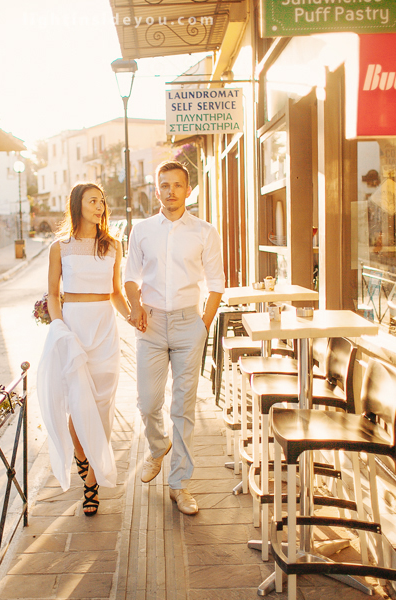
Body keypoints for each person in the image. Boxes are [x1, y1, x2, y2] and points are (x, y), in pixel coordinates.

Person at [124, 160, 225, 515]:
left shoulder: (204, 231)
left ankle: (180, 484)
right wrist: (136, 306)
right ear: (157, 191)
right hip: (150, 324)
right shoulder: (142, 230)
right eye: (164, 185)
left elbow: (216, 284)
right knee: (148, 402)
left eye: (177, 185)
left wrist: (204, 323)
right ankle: (157, 448)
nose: (170, 191)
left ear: (187, 190)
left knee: (183, 407)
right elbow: (130, 278)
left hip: (188, 323)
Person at [37, 183, 132, 516]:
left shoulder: (113, 246)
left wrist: (132, 318)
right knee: (78, 405)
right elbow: (52, 294)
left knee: (102, 405)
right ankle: (82, 457)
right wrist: (59, 326)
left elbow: (116, 292)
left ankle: (91, 477)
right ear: (77, 205)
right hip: (74, 329)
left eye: (103, 200)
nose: (100, 206)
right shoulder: (59, 248)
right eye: (93, 200)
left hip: (105, 328)